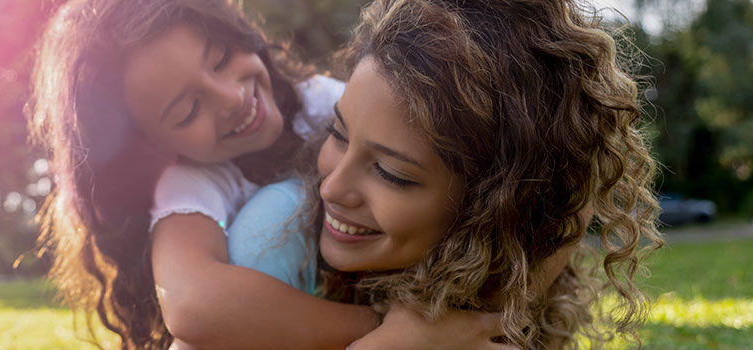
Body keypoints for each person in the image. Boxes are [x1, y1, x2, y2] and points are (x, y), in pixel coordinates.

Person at [27, 0, 511, 349]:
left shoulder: (324, 103)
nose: (231, 97)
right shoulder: (195, 184)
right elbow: (193, 305)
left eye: (220, 59)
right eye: (189, 109)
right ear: (154, 145)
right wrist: (388, 329)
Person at [222, 0, 663, 348]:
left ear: (493, 204)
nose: (332, 187)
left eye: (391, 174)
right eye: (337, 135)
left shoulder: (489, 266)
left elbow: (567, 199)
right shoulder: (274, 234)